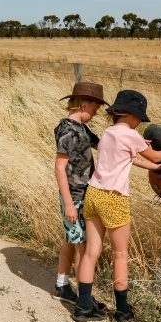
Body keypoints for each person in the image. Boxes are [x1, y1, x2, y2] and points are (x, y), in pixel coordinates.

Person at [73, 90, 161, 322]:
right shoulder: (132, 135)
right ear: (133, 116)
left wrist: (147, 158)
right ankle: (123, 311)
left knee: (91, 252)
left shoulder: (108, 132)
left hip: (94, 193)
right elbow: (157, 157)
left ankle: (83, 306)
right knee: (120, 255)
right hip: (114, 198)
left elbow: (127, 157)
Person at [52, 81, 107, 304]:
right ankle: (84, 296)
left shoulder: (82, 129)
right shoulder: (68, 130)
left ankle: (61, 285)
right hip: (73, 197)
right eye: (95, 109)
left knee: (70, 241)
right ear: (84, 105)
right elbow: (59, 167)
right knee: (82, 247)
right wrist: (68, 203)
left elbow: (103, 145)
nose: (95, 114)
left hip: (81, 195)